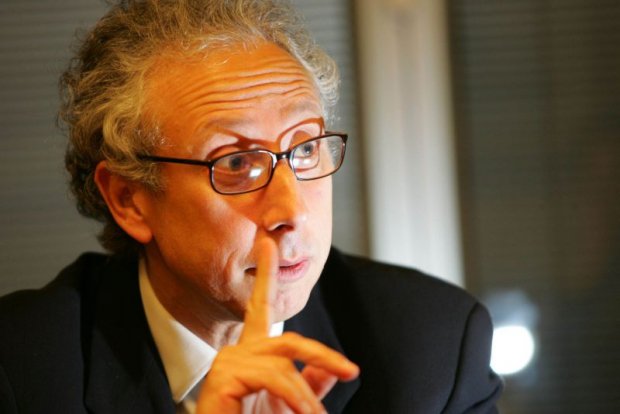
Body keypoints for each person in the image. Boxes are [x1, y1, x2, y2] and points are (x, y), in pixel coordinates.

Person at [0, 0, 502, 413]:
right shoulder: (22, 369)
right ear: (129, 199)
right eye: (237, 163)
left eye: (305, 149)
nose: (291, 211)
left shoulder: (432, 347)